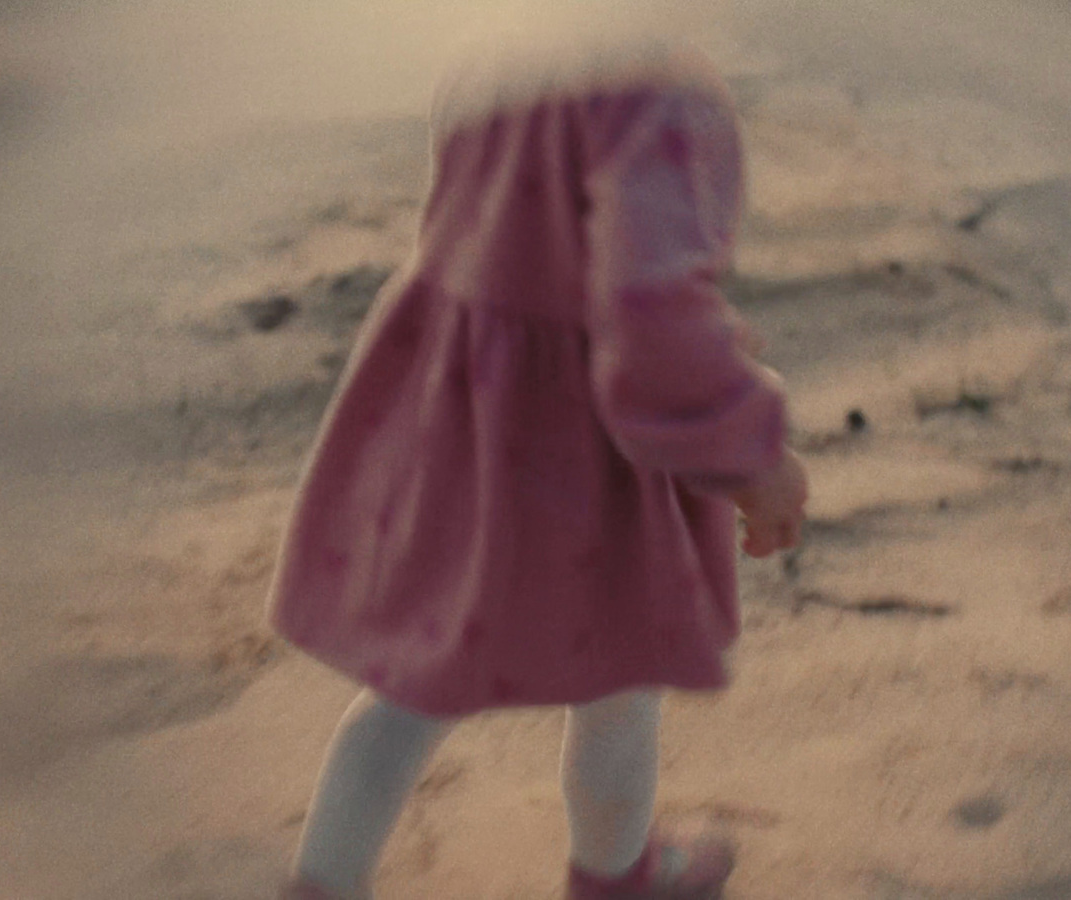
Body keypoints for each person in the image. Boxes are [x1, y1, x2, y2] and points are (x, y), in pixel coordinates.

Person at [269, 25, 808, 900]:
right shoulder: (661, 93)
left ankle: (320, 887)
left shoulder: (492, 52)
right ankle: (614, 879)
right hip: (589, 455)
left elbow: (508, 237)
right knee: (622, 688)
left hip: (462, 429)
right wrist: (752, 458)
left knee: (411, 686)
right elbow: (646, 318)